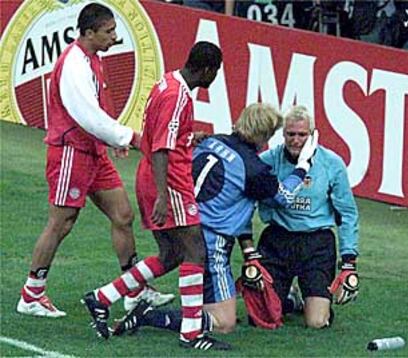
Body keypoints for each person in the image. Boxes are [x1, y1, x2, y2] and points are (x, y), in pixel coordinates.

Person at [16, 3, 173, 319]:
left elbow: (99, 110)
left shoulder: (92, 60)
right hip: (71, 153)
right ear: (89, 33)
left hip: (92, 152)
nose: (114, 37)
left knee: (123, 215)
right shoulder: (74, 65)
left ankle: (134, 290)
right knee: (62, 222)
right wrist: (128, 137)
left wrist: (109, 139)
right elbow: (86, 115)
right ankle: (31, 294)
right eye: (109, 31)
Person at [111, 103, 318, 336]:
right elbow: (284, 197)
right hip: (212, 242)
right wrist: (303, 167)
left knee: (166, 258)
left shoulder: (212, 141)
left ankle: (104, 296)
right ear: (263, 135)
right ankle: (149, 316)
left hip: (184, 224)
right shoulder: (253, 168)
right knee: (224, 322)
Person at [82, 41, 233, 351]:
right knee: (195, 252)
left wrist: (191, 137)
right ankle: (191, 334)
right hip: (169, 181)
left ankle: (102, 298)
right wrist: (164, 195)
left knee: (172, 255)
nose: (215, 77)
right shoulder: (177, 96)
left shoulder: (166, 82)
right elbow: (162, 147)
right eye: (215, 71)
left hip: (153, 176)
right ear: (206, 69)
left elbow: (161, 135)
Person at [257, 105, 360, 328]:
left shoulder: (332, 164)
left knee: (316, 322)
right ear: (282, 134)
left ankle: (309, 298)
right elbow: (251, 199)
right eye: (290, 134)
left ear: (312, 135)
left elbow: (347, 213)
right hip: (277, 240)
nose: (295, 140)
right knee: (263, 318)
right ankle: (290, 299)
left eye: (302, 135)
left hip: (317, 244)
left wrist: (349, 261)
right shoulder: (267, 161)